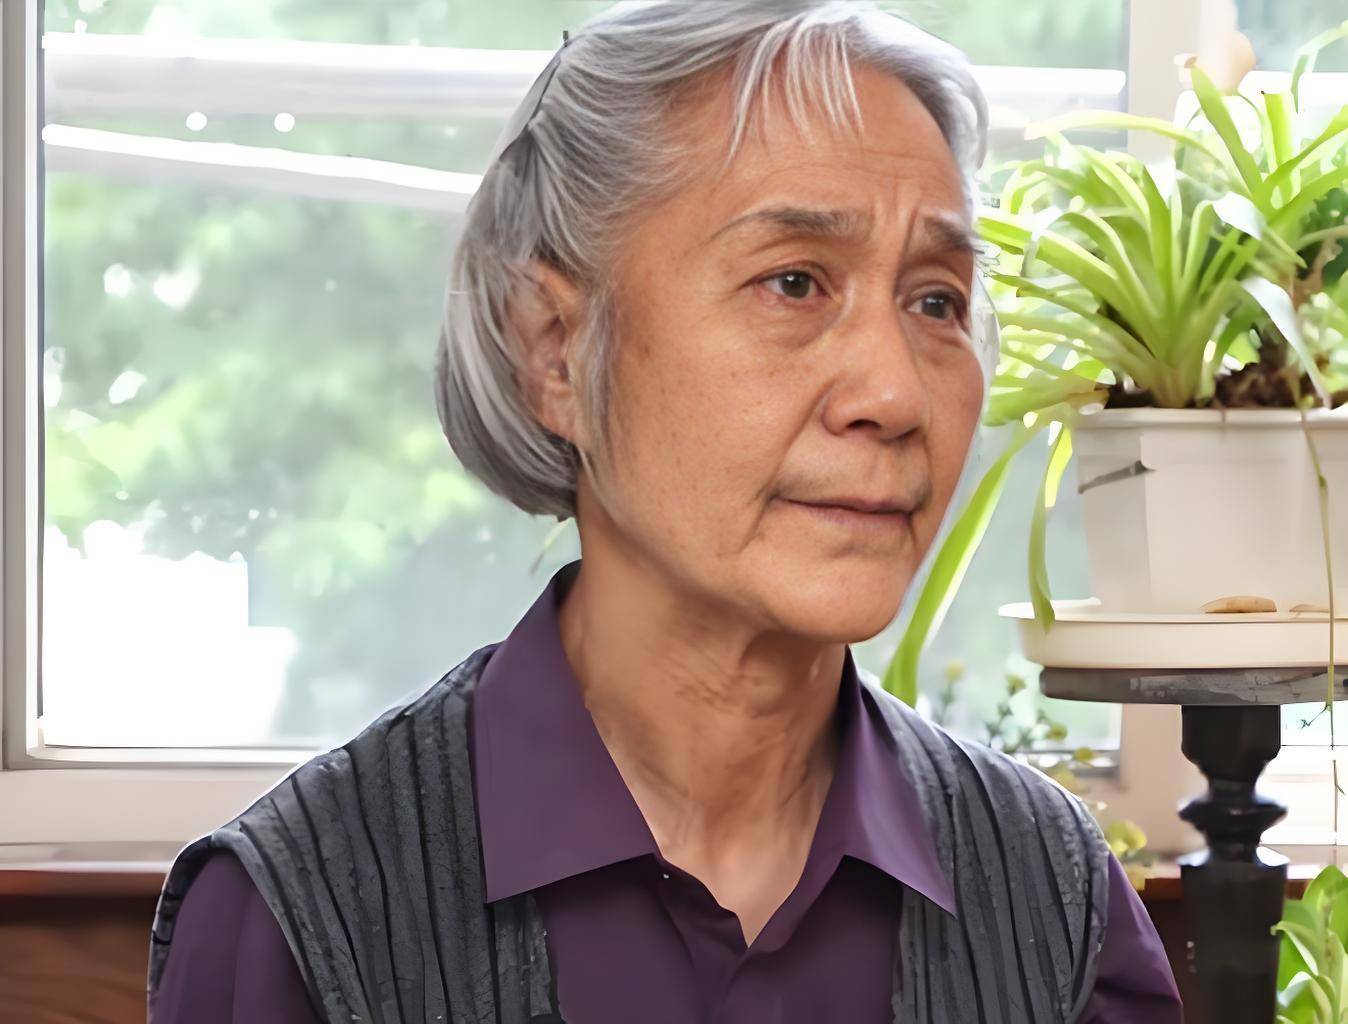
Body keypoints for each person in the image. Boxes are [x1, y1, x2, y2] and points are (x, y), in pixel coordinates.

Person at [147, 1, 1184, 1021]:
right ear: (555, 351)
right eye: (794, 283)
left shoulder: (1057, 911)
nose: (896, 393)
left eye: (935, 302)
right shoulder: (304, 922)